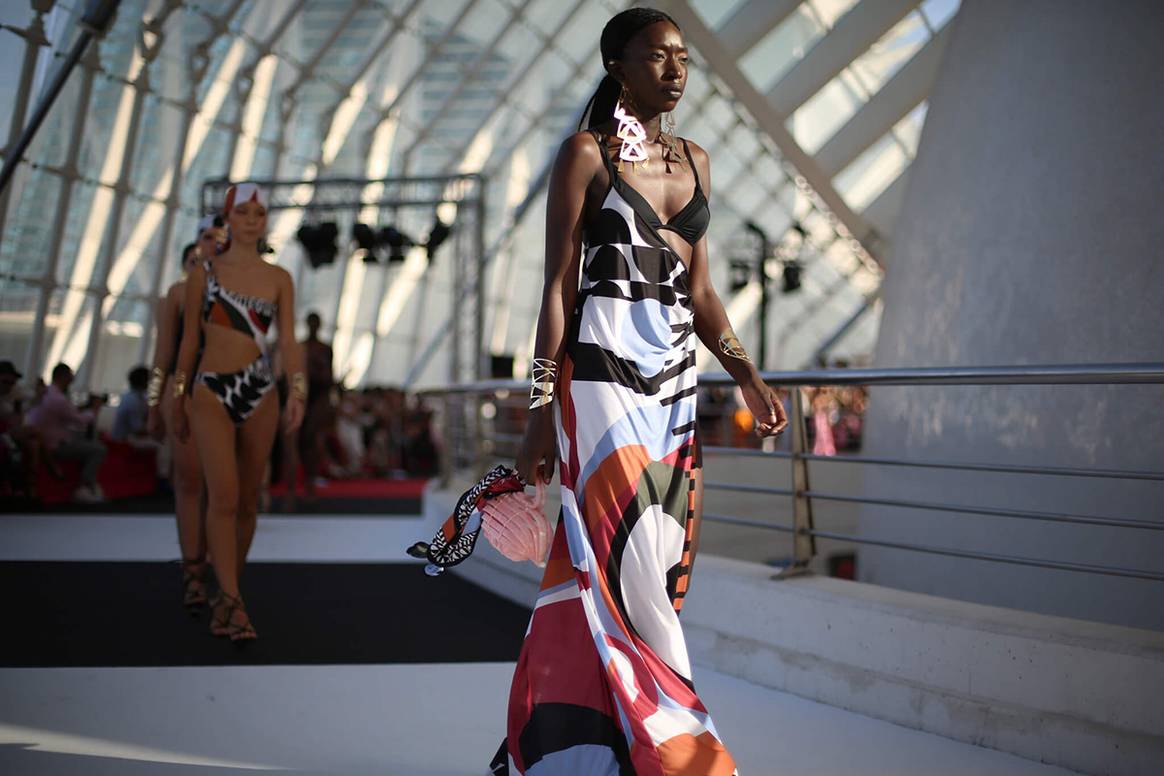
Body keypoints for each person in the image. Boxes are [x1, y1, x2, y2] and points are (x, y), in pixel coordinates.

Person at [503, 9, 789, 774]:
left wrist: (746, 373)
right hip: (598, 388)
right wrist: (538, 416)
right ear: (616, 65)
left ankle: (584, 741)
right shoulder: (585, 156)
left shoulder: (695, 160)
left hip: (674, 393)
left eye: (684, 58)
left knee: (650, 568)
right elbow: (558, 291)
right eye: (657, 55)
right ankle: (681, 749)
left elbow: (699, 292)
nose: (675, 69)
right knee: (631, 574)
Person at [172, 184, 304, 642]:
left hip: (260, 390)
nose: (252, 219)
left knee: (248, 501)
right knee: (223, 497)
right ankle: (231, 602)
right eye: (243, 211)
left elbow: (287, 342)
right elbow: (188, 342)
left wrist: (298, 393)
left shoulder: (279, 278)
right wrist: (174, 397)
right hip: (210, 389)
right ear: (228, 217)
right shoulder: (203, 275)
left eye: (259, 212)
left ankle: (228, 592)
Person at [146, 227, 216, 613]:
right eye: (192, 261)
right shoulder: (174, 297)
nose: (198, 266)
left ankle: (211, 565)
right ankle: (193, 571)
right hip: (184, 392)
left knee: (218, 486)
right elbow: (162, 356)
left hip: (223, 393)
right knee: (190, 481)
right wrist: (154, 404)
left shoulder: (229, 296)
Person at [25, 363, 107, 503]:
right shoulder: (58, 399)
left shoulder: (48, 394)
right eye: (70, 376)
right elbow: (79, 421)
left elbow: (68, 415)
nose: (72, 380)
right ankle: (86, 486)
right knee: (98, 449)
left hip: (48, 440)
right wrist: (94, 409)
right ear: (63, 377)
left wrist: (86, 408)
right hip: (54, 444)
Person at [281, 311, 334, 509]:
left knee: (311, 445)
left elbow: (328, 378)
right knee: (292, 446)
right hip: (300, 397)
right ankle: (291, 491)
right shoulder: (300, 348)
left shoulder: (322, 349)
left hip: (316, 399)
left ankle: (309, 487)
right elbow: (292, 376)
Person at [111, 366, 152, 443]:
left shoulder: (128, 396)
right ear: (145, 382)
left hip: (122, 440)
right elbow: (138, 429)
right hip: (124, 444)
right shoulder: (135, 401)